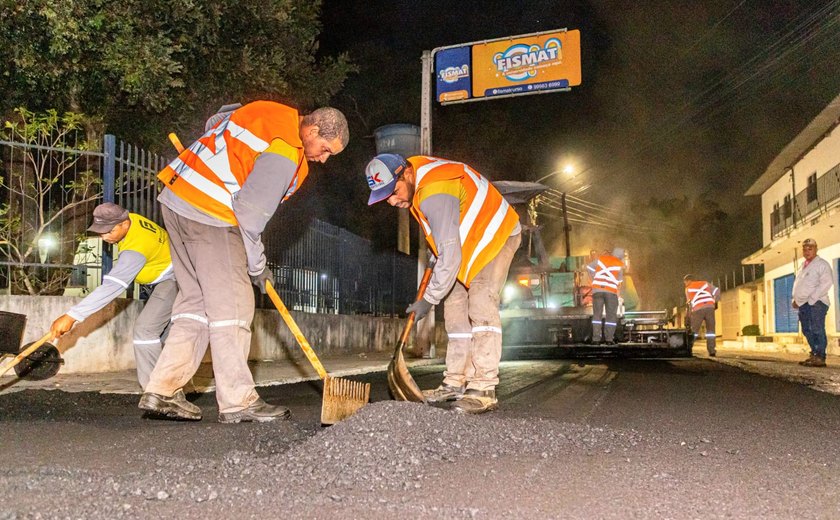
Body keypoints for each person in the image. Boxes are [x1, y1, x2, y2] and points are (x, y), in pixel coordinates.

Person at [139, 101, 349, 422]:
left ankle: (163, 388)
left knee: (195, 303)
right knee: (234, 306)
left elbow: (218, 117)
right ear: (314, 129)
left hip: (176, 201)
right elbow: (250, 219)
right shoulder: (286, 149)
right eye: (325, 149)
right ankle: (238, 401)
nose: (323, 158)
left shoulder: (267, 111)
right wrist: (258, 268)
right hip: (212, 213)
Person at [365, 153, 521, 415]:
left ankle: (483, 386)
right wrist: (435, 251)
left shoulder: (433, 190)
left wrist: (428, 298)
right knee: (455, 309)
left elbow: (450, 254)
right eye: (385, 197)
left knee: (481, 302)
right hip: (469, 243)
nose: (391, 201)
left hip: (496, 234)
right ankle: (455, 381)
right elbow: (444, 235)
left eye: (393, 192)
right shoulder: (418, 183)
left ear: (406, 174)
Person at [49, 203, 176, 390]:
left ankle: (156, 393)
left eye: (109, 231)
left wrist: (72, 316)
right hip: (164, 279)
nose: (104, 237)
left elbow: (114, 286)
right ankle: (174, 385)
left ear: (124, 223)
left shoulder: (137, 246)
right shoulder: (131, 219)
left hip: (175, 280)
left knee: (145, 330)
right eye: (100, 232)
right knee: (165, 338)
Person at [792, 238, 834, 367]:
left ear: (816, 249)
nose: (807, 251)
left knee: (816, 328)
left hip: (817, 303)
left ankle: (820, 356)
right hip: (803, 304)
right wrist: (795, 300)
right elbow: (799, 285)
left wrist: (812, 299)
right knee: (806, 330)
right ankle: (814, 354)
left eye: (810, 248)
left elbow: (826, 283)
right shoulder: (802, 266)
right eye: (804, 249)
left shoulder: (822, 264)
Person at [586, 248, 625, 344]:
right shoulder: (619, 264)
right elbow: (619, 282)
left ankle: (596, 339)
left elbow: (589, 267)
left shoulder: (601, 259)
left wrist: (594, 277)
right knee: (611, 316)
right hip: (611, 292)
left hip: (597, 291)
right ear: (620, 257)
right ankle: (609, 339)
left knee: (597, 316)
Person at [683, 274, 720, 356]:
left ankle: (688, 348)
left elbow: (689, 303)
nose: (684, 283)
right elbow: (717, 291)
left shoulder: (688, 288)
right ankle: (712, 350)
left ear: (689, 281)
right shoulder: (705, 283)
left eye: (685, 282)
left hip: (698, 310)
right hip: (710, 308)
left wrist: (688, 316)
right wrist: (715, 302)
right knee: (711, 331)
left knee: (694, 331)